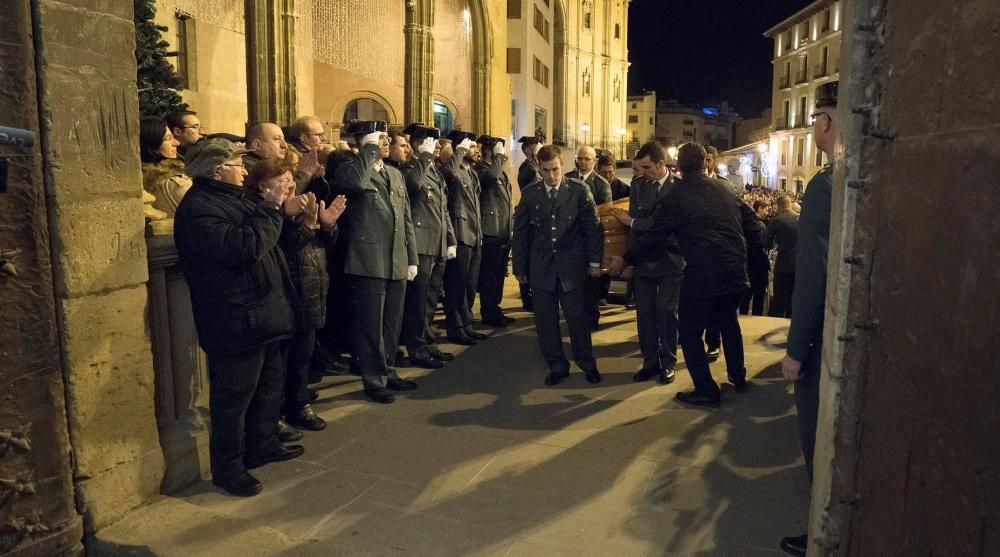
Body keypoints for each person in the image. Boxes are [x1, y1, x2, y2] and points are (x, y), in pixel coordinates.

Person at [174, 138, 303, 497]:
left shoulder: (233, 199)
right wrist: (272, 206)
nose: (245, 170)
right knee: (233, 400)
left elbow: (267, 242)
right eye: (237, 164)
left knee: (267, 388)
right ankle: (228, 468)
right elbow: (243, 249)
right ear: (218, 171)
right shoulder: (199, 209)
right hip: (235, 318)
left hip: (264, 314)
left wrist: (285, 215)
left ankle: (261, 446)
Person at [623, 142, 764, 408]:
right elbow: (753, 225)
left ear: (679, 166)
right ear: (705, 164)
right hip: (734, 271)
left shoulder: (676, 196)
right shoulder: (727, 188)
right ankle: (738, 374)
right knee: (728, 322)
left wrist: (627, 259)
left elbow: (654, 235)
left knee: (688, 332)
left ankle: (706, 390)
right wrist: (744, 254)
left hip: (702, 275)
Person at [244, 154, 347, 435]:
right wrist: (306, 225)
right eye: (283, 183)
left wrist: (326, 225)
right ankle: (275, 415)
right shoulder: (264, 212)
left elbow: (324, 245)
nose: (291, 187)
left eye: (292, 182)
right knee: (280, 363)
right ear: (263, 187)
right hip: (284, 294)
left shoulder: (295, 207)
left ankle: (299, 405)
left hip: (311, 287)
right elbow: (284, 247)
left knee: (303, 356)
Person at [779, 82, 838, 557]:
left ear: (828, 121)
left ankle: (824, 533)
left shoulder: (825, 184)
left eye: (817, 117)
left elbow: (813, 278)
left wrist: (797, 350)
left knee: (819, 443)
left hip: (823, 342)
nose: (814, 126)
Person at [335, 120, 419, 404]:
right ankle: (373, 379)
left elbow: (406, 217)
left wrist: (412, 257)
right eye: (380, 138)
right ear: (365, 141)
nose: (386, 142)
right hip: (368, 260)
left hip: (396, 257)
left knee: (391, 323)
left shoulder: (395, 175)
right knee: (371, 325)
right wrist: (368, 151)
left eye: (385, 138)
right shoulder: (351, 169)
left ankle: (389, 370)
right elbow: (355, 184)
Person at [512, 145, 604, 386]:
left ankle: (587, 363)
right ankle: (557, 365)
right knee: (545, 322)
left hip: (572, 267)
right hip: (541, 268)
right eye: (545, 171)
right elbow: (520, 232)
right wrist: (519, 267)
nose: (551, 176)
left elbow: (592, 229)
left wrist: (595, 262)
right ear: (540, 170)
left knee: (577, 319)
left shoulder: (578, 190)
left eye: (555, 169)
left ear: (562, 165)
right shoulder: (531, 193)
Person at [609, 141, 683, 385]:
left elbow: (665, 228)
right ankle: (650, 361)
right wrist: (630, 258)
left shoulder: (678, 189)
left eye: (647, 167)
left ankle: (668, 362)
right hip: (643, 261)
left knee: (666, 313)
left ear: (661, 164)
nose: (642, 172)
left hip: (670, 260)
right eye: (639, 167)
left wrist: (633, 223)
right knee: (645, 314)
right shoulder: (639, 187)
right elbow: (635, 229)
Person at [390, 125, 457, 369]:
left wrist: (450, 239)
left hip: (437, 242)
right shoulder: (410, 168)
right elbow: (413, 186)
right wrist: (425, 157)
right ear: (421, 144)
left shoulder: (435, 171)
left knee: (429, 298)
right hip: (421, 243)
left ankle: (427, 342)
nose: (437, 148)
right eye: (433, 144)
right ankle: (416, 348)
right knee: (416, 301)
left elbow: (442, 208)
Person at [440, 131, 487, 345]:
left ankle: (467, 324)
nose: (477, 150)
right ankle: (455, 327)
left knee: (470, 285)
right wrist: (458, 151)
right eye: (472, 147)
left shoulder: (472, 172)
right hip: (460, 233)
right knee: (456, 286)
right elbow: (450, 174)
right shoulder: (453, 167)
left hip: (474, 234)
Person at [566, 145, 612, 329]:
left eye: (587, 159)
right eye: (580, 158)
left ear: (595, 161)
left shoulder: (601, 184)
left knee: (591, 286)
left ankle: (591, 319)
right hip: (569, 240)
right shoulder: (567, 179)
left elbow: (604, 216)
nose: (583, 162)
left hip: (590, 240)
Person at [475, 135, 515, 328]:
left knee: (499, 274)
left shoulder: (501, 172)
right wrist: (498, 159)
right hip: (490, 230)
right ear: (489, 150)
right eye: (498, 148)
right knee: (490, 275)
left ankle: (495, 308)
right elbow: (490, 178)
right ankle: (488, 312)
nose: (502, 152)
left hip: (503, 229)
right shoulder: (482, 169)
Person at [139, 116, 191, 216]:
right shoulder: (172, 183)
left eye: (173, 137)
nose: (176, 143)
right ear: (152, 144)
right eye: (168, 138)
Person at [515, 135, 543, 312]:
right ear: (527, 149)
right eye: (535, 146)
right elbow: (529, 184)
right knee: (527, 258)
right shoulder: (528, 167)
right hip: (530, 214)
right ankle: (527, 298)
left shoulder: (535, 165)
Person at [765, 195, 799, 318]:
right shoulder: (800, 218)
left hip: (783, 265)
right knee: (793, 299)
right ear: (790, 204)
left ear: (779, 206)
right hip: (798, 265)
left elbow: (767, 243)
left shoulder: (776, 220)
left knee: (779, 299)